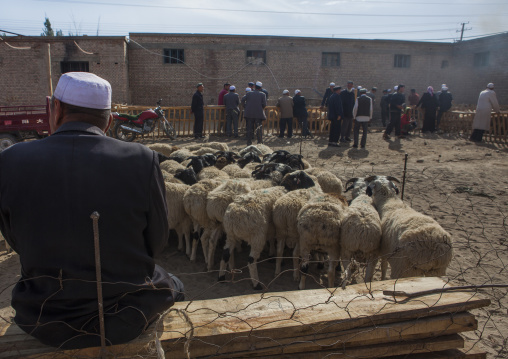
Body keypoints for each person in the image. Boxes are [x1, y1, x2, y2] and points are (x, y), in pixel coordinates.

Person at [0, 72, 184, 350]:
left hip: (43, 316)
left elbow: (14, 238)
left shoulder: (11, 159)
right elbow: (156, 242)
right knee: (173, 283)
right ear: (109, 121)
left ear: (56, 109)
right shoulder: (142, 159)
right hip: (125, 318)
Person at [243, 81, 267, 145]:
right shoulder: (262, 94)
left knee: (249, 128)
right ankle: (259, 142)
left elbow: (242, 100)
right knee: (258, 128)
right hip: (258, 114)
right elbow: (264, 104)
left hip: (249, 114)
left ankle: (249, 142)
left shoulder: (248, 93)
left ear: (255, 86)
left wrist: (246, 106)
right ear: (260, 88)